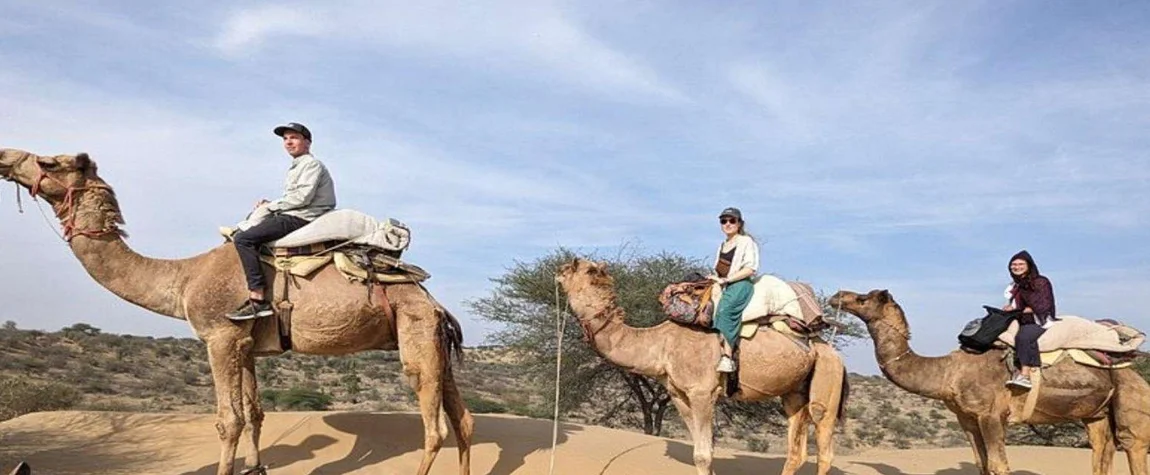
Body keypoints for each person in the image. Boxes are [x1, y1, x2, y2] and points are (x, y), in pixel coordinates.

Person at [226, 122, 337, 320]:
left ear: (307, 143)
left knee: (244, 239)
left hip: (302, 217)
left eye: (293, 138)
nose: (288, 142)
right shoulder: (296, 167)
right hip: (295, 213)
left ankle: (258, 299)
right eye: (285, 139)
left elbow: (302, 198)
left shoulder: (311, 164)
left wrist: (271, 206)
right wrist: (272, 204)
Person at [708, 207, 759, 373]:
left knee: (725, 309)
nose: (728, 224)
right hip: (722, 283)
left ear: (739, 223)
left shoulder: (746, 242)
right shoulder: (722, 245)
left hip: (740, 284)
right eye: (724, 221)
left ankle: (727, 357)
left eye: (732, 220)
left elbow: (750, 269)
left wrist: (727, 280)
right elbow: (719, 269)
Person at [1002, 250, 1056, 389]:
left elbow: (1044, 305)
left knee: (1023, 337)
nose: (1016, 267)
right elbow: (1017, 305)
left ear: (1028, 265)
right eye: (1013, 264)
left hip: (1039, 321)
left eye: (1020, 264)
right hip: (1019, 319)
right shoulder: (1015, 287)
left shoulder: (1040, 282)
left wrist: (1020, 310)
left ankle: (1025, 375)